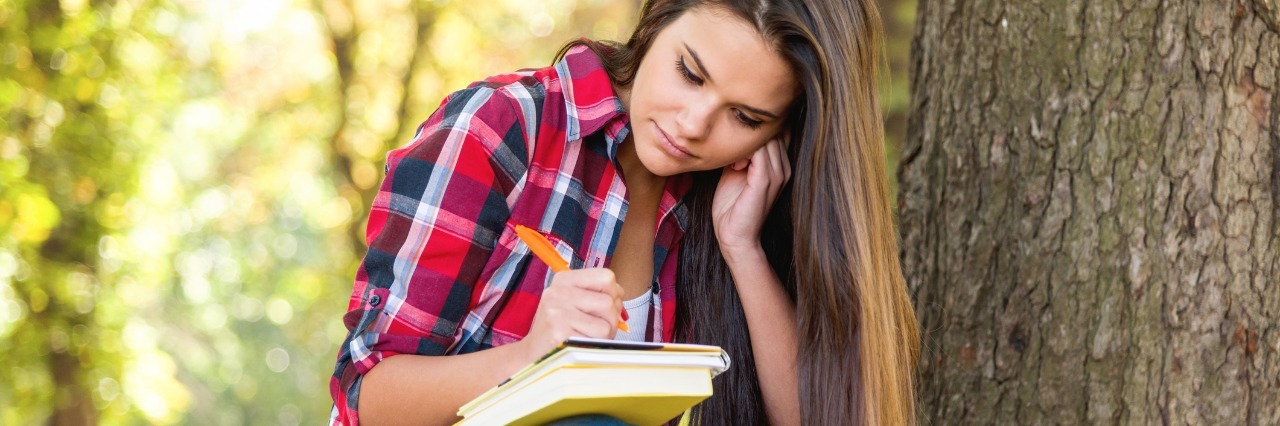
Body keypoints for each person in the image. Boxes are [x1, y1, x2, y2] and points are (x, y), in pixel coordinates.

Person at [329, 0, 920, 424]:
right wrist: (529, 356)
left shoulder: (733, 200)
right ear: (659, 18)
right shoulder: (503, 127)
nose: (693, 126)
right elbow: (364, 400)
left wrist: (743, 249)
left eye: (745, 117)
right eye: (690, 73)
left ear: (782, 135)